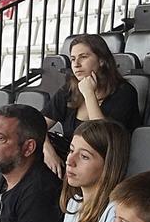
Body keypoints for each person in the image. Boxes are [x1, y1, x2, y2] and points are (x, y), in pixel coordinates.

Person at [41, 34, 139, 170]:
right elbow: (36, 125)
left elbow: (103, 140)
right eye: (73, 59)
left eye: (83, 57)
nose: (76, 64)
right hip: (70, 163)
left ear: (102, 61)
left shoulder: (124, 92)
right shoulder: (69, 89)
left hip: (104, 165)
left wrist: (89, 94)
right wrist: (48, 151)